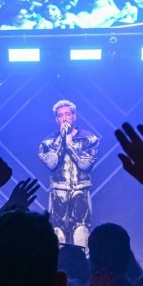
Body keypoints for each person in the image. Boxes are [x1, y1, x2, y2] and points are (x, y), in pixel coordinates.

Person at [38, 100, 99, 247]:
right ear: (56, 119)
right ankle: (60, 260)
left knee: (81, 229)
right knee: (58, 231)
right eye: (60, 115)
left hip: (81, 190)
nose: (64, 118)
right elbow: (52, 163)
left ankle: (82, 259)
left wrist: (69, 143)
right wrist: (62, 140)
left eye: (67, 114)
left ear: (74, 116)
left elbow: (85, 165)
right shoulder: (47, 143)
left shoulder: (89, 138)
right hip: (58, 192)